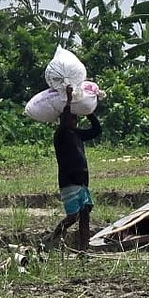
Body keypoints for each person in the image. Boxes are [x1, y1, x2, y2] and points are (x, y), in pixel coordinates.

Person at [47, 85, 101, 252]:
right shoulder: (61, 134)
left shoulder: (76, 134)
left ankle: (84, 249)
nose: (74, 121)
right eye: (72, 118)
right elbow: (64, 120)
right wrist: (69, 99)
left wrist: (89, 111)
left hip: (82, 182)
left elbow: (97, 130)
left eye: (76, 119)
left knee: (85, 214)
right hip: (69, 182)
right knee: (73, 216)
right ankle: (51, 239)